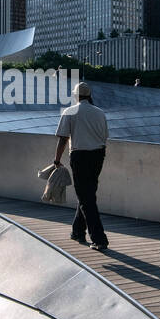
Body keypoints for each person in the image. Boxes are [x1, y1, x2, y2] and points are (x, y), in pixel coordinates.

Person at [53, 80, 110, 251]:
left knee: (86, 197)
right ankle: (77, 231)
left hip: (79, 156)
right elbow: (105, 136)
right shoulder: (100, 113)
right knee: (87, 193)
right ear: (90, 95)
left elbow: (63, 138)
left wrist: (57, 160)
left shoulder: (70, 112)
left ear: (76, 95)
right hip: (98, 155)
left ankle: (99, 239)